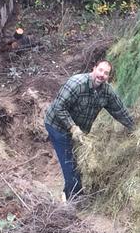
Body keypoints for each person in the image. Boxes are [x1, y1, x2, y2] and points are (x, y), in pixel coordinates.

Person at [44, 59, 134, 201]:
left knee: (76, 164)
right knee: (70, 164)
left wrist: (135, 128)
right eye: (100, 70)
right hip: (58, 127)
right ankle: (73, 201)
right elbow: (58, 107)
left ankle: (66, 194)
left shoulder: (106, 92)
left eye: (106, 73)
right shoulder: (77, 84)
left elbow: (120, 111)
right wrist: (72, 127)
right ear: (94, 68)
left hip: (79, 132)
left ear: (108, 77)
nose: (102, 75)